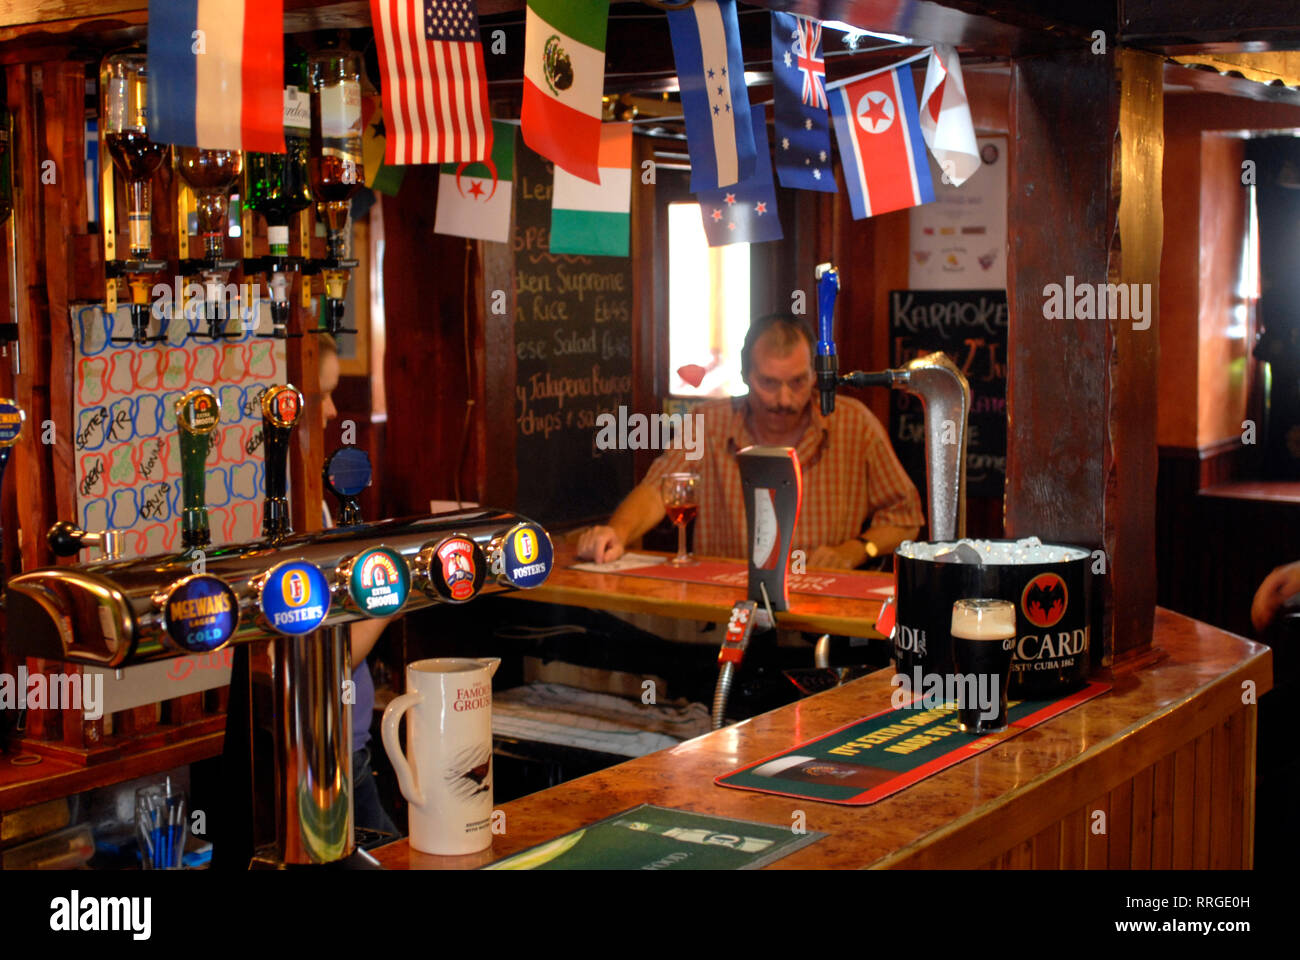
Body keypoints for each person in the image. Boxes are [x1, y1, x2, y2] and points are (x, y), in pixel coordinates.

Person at [577, 314, 924, 567]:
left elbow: (905, 516)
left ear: (817, 375)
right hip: (724, 607)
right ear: (745, 375)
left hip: (822, 611)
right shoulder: (708, 421)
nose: (784, 399)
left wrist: (857, 549)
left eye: (798, 382)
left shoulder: (853, 422)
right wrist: (618, 533)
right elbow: (659, 489)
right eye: (769, 383)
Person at [319, 335, 400, 836]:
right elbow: (330, 651)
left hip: (348, 744)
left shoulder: (308, 490)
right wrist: (395, 591)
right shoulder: (289, 496)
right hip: (330, 753)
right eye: (320, 393)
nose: (330, 410)